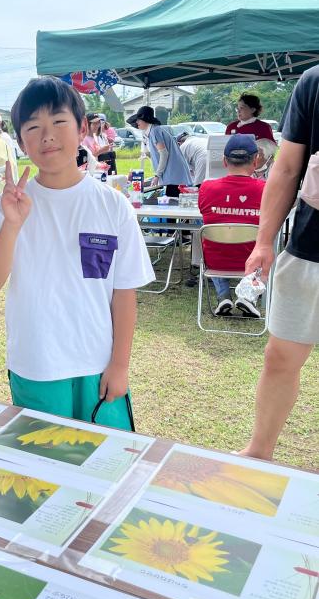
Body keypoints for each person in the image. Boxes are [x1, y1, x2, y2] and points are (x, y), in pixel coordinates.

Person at [0, 77, 154, 428]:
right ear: (21, 140)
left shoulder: (112, 206)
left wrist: (120, 364)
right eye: (33, 127)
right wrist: (12, 224)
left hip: (98, 365)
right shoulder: (4, 208)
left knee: (104, 464)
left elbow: (123, 292)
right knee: (45, 466)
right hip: (36, 364)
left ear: (82, 127)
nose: (47, 135)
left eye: (58, 122)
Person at [239, 67, 319, 460]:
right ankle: (259, 452)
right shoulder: (314, 82)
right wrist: (263, 241)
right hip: (310, 246)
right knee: (280, 356)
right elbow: (287, 168)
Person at [198, 135, 265, 316]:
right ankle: (248, 297)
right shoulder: (265, 189)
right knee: (265, 246)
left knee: (217, 243)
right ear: (256, 161)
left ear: (224, 161)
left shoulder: (206, 188)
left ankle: (223, 296)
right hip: (251, 261)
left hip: (215, 261)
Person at [128, 106, 191, 195]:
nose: (137, 122)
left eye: (138, 119)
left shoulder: (155, 131)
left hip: (173, 175)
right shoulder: (153, 131)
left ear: (145, 119)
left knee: (172, 200)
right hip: (173, 174)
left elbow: (164, 154)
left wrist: (157, 175)